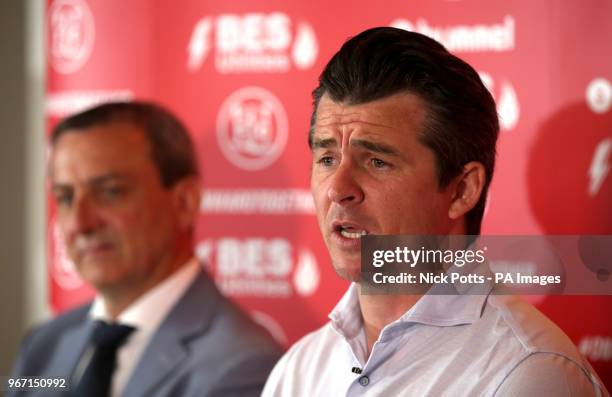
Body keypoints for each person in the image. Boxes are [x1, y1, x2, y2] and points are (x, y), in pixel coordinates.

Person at [262, 27, 609, 396]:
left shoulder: (528, 375)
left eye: (377, 161)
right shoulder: (297, 371)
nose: (338, 188)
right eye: (327, 157)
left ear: (462, 190)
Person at [10, 101, 282, 397]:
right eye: (65, 197)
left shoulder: (244, 365)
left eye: (110, 191)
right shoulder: (43, 346)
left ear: (185, 202)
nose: (80, 223)